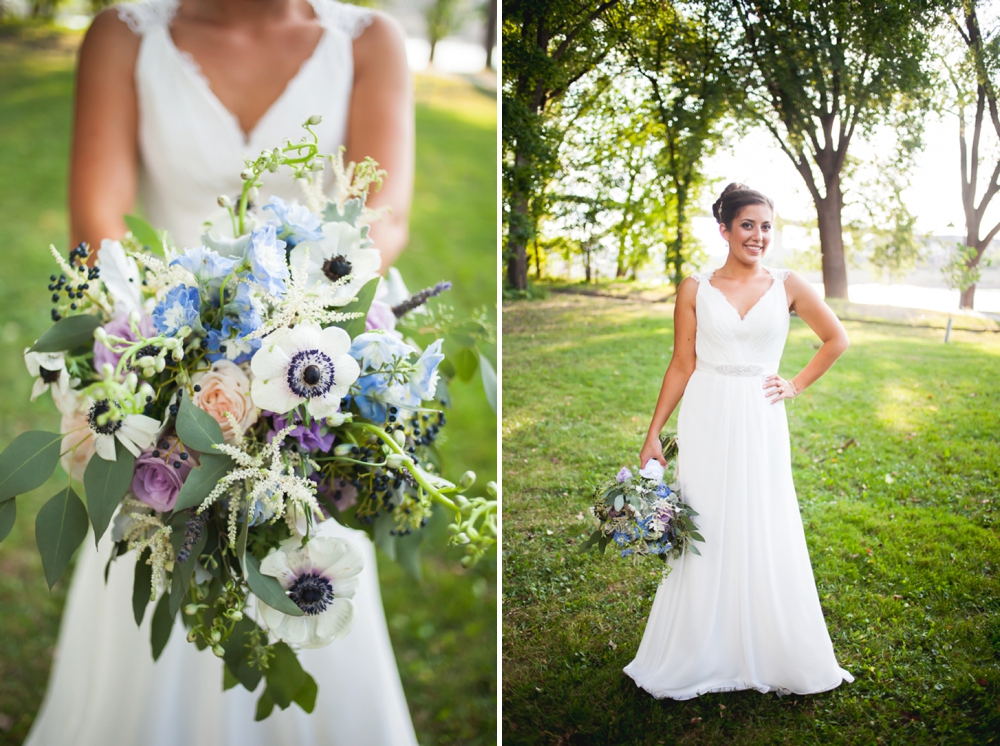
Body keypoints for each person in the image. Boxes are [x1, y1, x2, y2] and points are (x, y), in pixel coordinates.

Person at [25, 0, 419, 743]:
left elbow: (384, 215)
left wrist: (291, 332)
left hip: (315, 357)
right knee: (159, 544)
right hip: (158, 356)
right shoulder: (124, 35)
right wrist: (178, 349)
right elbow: (96, 221)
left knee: (303, 562)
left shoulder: (370, 41)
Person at [623, 182, 854, 699]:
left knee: (763, 517)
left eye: (766, 226)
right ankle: (701, 648)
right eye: (747, 225)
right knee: (707, 519)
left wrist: (793, 384)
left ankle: (772, 646)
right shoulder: (694, 287)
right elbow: (683, 362)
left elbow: (836, 339)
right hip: (706, 413)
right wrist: (654, 431)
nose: (758, 236)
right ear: (724, 228)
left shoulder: (788, 284)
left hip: (760, 415)